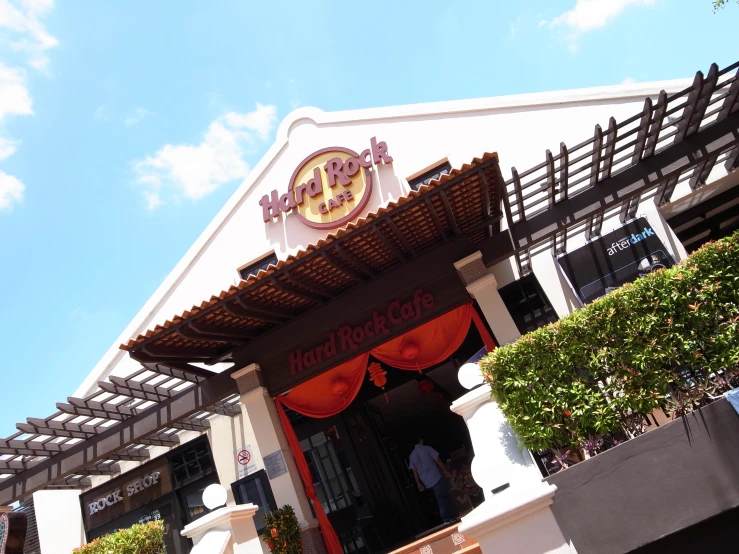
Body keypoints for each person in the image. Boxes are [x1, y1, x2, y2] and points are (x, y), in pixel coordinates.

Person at [409, 438, 458, 525]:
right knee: (441, 498)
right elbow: (437, 460)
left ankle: (453, 515)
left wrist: (418, 483)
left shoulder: (412, 456)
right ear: (420, 440)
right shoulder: (427, 448)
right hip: (435, 476)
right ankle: (446, 518)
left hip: (426, 481)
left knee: (442, 496)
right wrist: (445, 470)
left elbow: (414, 471)